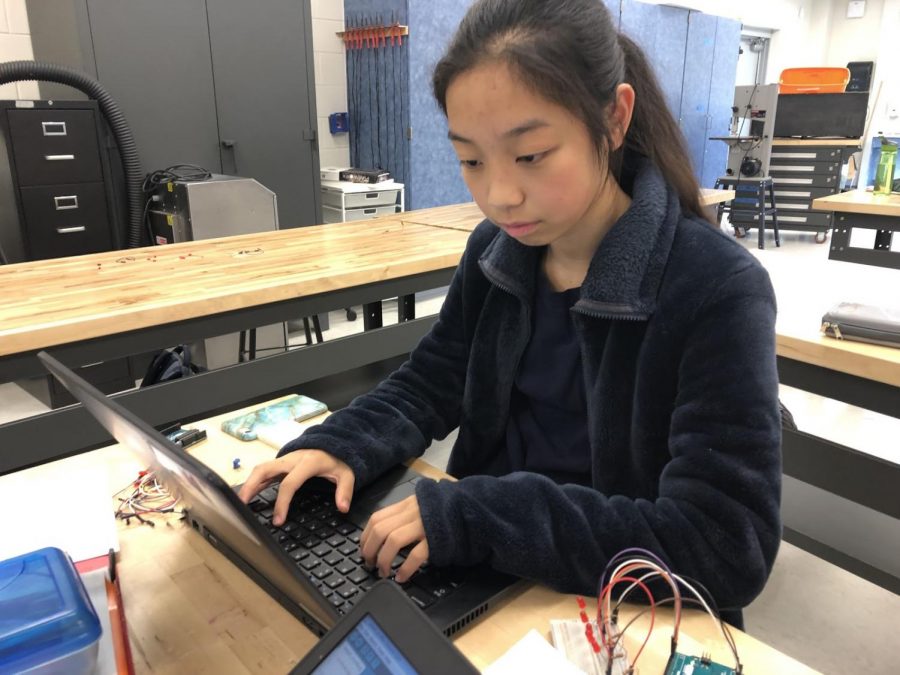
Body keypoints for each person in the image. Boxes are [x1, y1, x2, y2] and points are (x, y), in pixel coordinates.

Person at [239, 0, 781, 626]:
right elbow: (433, 379)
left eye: (530, 156)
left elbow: (724, 543)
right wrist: (342, 444)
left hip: (621, 614)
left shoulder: (714, 287)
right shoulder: (498, 253)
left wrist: (481, 515)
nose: (499, 195)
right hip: (483, 574)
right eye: (471, 160)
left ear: (614, 118)